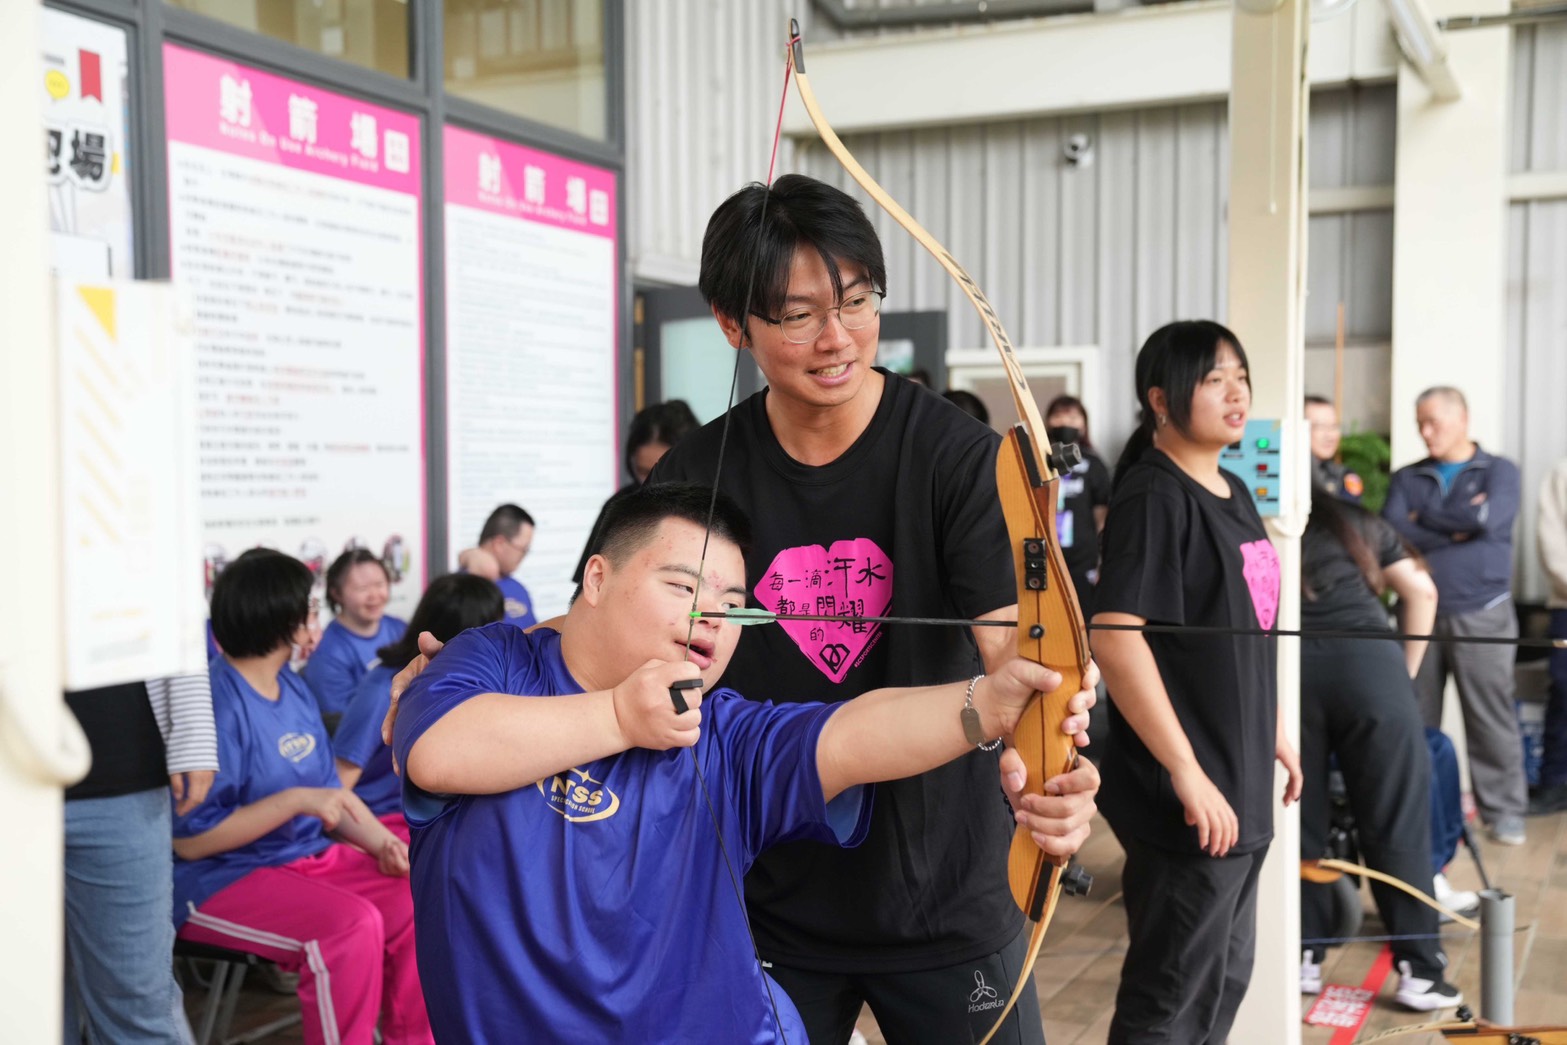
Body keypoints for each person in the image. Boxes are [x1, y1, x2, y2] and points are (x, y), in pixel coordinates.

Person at [390, 482, 1099, 1042]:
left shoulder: (722, 732)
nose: (712, 616)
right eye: (682, 586)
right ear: (597, 578)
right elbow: (437, 750)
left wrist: (989, 702)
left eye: (733, 604)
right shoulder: (492, 661)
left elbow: (852, 733)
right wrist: (616, 716)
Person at [644, 173, 1089, 1043]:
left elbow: (1015, 648)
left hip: (948, 894)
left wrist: (1054, 761)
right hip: (759, 900)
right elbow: (623, 643)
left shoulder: (957, 459)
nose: (837, 335)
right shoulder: (692, 477)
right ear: (733, 324)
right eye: (797, 312)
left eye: (856, 299)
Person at [1090, 320, 1301, 1045]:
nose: (1236, 390)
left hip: (1239, 780)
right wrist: (1185, 770)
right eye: (1214, 377)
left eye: (1239, 374)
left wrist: (1275, 733)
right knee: (1170, 997)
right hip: (1190, 796)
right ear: (1161, 398)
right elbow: (1114, 637)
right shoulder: (1155, 495)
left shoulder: (1233, 489)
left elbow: (1248, 628)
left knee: (1222, 981)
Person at [173, 550, 433, 1045]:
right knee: (348, 928)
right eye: (309, 610)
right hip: (221, 876)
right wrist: (295, 802)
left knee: (413, 894)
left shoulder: (292, 688)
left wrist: (382, 845)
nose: (315, 620)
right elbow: (190, 841)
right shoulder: (214, 702)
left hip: (304, 858)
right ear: (284, 621)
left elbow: (329, 796)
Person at [1295, 486, 1462, 1010]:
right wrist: (1403, 676)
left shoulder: (1253, 513)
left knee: (1302, 816)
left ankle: (1303, 955)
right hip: (1372, 668)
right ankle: (1420, 971)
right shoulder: (1351, 519)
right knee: (1397, 821)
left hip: (1289, 668)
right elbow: (1423, 593)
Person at [1383, 386, 1527, 845]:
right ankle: (1424, 814)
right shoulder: (1408, 476)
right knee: (1417, 717)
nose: (1425, 433)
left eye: (1434, 422)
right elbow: (1392, 532)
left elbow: (1488, 523)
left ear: (1462, 418)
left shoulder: (1500, 471)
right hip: (1416, 615)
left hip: (1482, 612)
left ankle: (1504, 814)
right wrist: (1458, 522)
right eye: (1419, 423)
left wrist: (1423, 518)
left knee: (1490, 718)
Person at [64, 673, 216, 1044]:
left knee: (136, 999)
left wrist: (193, 728)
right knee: (22, 1005)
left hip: (121, 767)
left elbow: (171, 616)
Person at [333, 572, 503, 834]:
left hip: (438, 815)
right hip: (384, 822)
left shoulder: (476, 688)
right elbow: (337, 790)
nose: (503, 642)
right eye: (496, 627)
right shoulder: (384, 690)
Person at [572, 399, 700, 584]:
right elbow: (587, 588)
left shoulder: (714, 510)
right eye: (643, 471)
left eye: (665, 474)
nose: (653, 483)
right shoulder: (621, 505)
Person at [302, 548, 407, 727]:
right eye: (362, 588)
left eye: (380, 585)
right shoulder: (326, 653)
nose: (374, 596)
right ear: (336, 593)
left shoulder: (399, 629)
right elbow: (344, 726)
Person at [1044, 394, 1113, 604]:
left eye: (1073, 417)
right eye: (1059, 416)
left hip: (1082, 557)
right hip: (1043, 554)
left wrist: (1104, 560)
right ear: (1047, 421)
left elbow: (1101, 514)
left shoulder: (1093, 462)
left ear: (1083, 424)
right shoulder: (1036, 460)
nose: (1065, 422)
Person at [1532, 455, 1567, 815]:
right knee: (1564, 692)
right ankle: (1555, 783)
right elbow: (1552, 543)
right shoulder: (1562, 472)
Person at [457, 503, 539, 628]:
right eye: (523, 549)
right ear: (499, 544)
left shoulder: (518, 589)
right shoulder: (460, 591)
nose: (524, 555)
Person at [1305, 395, 1364, 503]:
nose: (1330, 435)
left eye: (1334, 426)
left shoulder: (1343, 476)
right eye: (1321, 427)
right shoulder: (1289, 474)